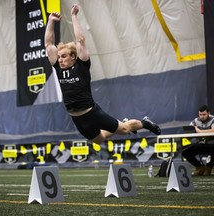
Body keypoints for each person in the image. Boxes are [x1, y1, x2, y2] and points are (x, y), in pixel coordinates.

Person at [44, 4, 161, 145]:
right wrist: (50, 21)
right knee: (99, 140)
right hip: (76, 118)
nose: (60, 59)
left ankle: (145, 123)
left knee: (124, 130)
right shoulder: (58, 68)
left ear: (73, 57)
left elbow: (80, 40)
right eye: (59, 56)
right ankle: (123, 122)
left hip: (92, 113)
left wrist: (74, 16)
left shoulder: (81, 65)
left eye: (64, 56)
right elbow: (48, 44)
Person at [182, 105, 214, 176]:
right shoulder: (196, 120)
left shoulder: (213, 119)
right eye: (200, 114)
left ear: (208, 113)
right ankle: (199, 167)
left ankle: (209, 167)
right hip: (200, 144)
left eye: (204, 114)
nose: (202, 116)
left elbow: (213, 130)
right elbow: (189, 129)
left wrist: (199, 131)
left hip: (211, 145)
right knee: (185, 152)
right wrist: (192, 130)